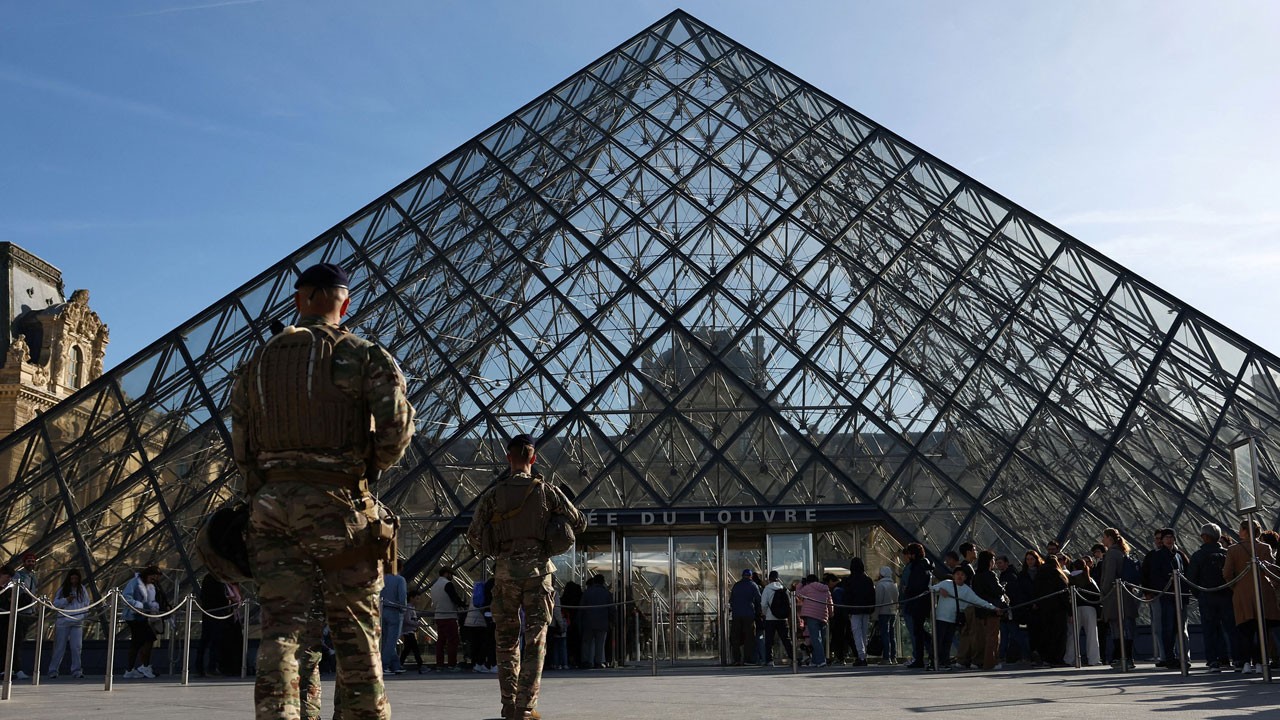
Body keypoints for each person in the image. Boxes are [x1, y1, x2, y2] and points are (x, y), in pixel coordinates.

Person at [230, 262, 416, 720]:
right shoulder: (363, 354)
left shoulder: (255, 364)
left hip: (270, 510)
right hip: (338, 508)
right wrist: (364, 467)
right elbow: (395, 430)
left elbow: (241, 444)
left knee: (281, 633)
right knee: (356, 634)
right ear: (345, 302)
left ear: (299, 299)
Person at [465, 433, 587, 720]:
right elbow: (579, 523)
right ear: (533, 458)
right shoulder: (548, 491)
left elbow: (473, 535)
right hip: (539, 574)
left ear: (508, 458)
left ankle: (508, 703)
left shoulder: (493, 496)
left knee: (505, 641)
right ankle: (526, 706)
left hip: (506, 574)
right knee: (536, 641)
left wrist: (498, 548)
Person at [1223, 519, 1280, 673]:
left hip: (1243, 594)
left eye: (1240, 529)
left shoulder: (1233, 550)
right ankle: (1262, 662)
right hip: (1264, 592)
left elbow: (1227, 573)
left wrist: (1236, 587)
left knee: (1245, 630)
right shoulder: (1265, 547)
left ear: (1245, 530)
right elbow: (1272, 571)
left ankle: (1246, 663)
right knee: (1263, 630)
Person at [1187, 522, 1235, 671]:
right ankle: (1237, 659)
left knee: (1210, 630)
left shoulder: (1198, 555)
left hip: (1207, 597)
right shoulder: (1228, 554)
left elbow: (1191, 579)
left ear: (1205, 537)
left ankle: (1213, 661)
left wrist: (1200, 593)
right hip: (1227, 596)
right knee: (1231, 629)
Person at [931, 565, 998, 670]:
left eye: (962, 575)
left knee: (947, 642)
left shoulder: (967, 590)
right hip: (942, 618)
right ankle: (933, 662)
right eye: (957, 574)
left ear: (965, 578)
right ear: (953, 576)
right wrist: (939, 590)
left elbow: (979, 601)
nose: (959, 576)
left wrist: (993, 608)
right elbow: (931, 589)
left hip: (953, 620)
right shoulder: (945, 584)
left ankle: (944, 662)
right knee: (938, 641)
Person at [1147, 528, 1191, 669]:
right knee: (1169, 628)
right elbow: (1154, 575)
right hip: (1168, 596)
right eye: (1166, 537)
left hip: (1177, 596)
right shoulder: (1158, 555)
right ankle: (1170, 657)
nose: (1168, 539)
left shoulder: (1178, 555)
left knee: (1176, 627)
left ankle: (1179, 657)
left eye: (1171, 537)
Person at [1099, 528, 1138, 669]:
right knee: (1127, 627)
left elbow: (1109, 576)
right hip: (1127, 594)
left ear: (1109, 538)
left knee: (1117, 628)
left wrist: (1103, 592)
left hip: (1115, 596)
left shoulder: (1111, 554)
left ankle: (1121, 657)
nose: (1102, 540)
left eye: (1103, 537)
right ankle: (1128, 658)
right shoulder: (1123, 552)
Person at [47, 569, 91, 678]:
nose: (74, 581)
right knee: (59, 647)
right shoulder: (62, 590)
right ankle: (53, 670)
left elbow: (86, 605)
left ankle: (77, 670)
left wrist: (81, 616)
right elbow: (56, 603)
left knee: (76, 647)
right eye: (72, 578)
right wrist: (67, 600)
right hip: (63, 622)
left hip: (77, 622)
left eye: (76, 578)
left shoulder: (83, 590)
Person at [122, 565, 161, 679]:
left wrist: (151, 606)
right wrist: (138, 605)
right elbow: (126, 597)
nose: (154, 581)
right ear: (147, 575)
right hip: (134, 616)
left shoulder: (148, 585)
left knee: (137, 643)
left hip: (141, 616)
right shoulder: (134, 582)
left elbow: (149, 600)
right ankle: (144, 666)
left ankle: (130, 670)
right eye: (153, 578)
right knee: (149, 638)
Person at [970, 551, 1006, 670]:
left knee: (980, 637)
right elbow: (998, 591)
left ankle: (977, 661)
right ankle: (990, 662)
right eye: (993, 560)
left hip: (980, 610)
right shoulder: (990, 575)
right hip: (992, 609)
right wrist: (1003, 587)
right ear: (990, 561)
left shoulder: (976, 576)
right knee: (993, 637)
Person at [902, 543, 933, 669]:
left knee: (918, 632)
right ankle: (930, 653)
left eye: (909, 554)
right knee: (920, 631)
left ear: (913, 554)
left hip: (916, 603)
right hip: (923, 603)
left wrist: (907, 589)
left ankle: (920, 658)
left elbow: (915, 586)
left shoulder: (916, 567)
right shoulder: (926, 565)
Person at [1065, 558, 1101, 666]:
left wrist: (1070, 613)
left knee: (1072, 636)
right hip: (1089, 608)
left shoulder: (1069, 579)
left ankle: (1069, 658)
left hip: (1075, 608)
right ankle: (1093, 659)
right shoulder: (1089, 578)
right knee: (1092, 635)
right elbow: (1097, 594)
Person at [430, 565, 465, 672]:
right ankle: (451, 664)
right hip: (449, 616)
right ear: (446, 573)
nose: (452, 577)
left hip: (438, 616)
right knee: (452, 641)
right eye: (451, 575)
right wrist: (463, 604)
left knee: (440, 641)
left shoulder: (434, 585)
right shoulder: (447, 584)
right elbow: (454, 598)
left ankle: (439, 665)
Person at [10, 552, 38, 680]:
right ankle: (16, 668)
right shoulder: (18, 575)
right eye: (29, 561)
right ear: (24, 562)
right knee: (15, 642)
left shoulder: (33, 577)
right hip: (19, 611)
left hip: (28, 612)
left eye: (33, 561)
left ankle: (15, 668)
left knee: (18, 642)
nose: (31, 563)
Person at [843, 558, 875, 666]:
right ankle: (863, 655)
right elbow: (872, 595)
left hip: (854, 609)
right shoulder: (868, 580)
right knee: (864, 632)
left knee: (857, 633)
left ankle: (861, 656)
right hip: (866, 609)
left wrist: (847, 609)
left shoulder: (849, 580)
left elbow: (847, 596)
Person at [795, 573, 831, 668]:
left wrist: (800, 585)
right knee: (821, 639)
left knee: (815, 639)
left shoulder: (808, 587)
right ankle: (815, 660)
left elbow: (798, 594)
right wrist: (831, 614)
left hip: (811, 615)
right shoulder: (825, 589)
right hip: (823, 615)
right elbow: (830, 602)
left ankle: (821, 660)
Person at [760, 570, 793, 667]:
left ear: (769, 579)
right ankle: (792, 657)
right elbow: (789, 603)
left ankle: (769, 660)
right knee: (786, 639)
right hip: (783, 619)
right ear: (778, 578)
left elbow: (763, 604)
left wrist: (765, 614)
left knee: (769, 640)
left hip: (770, 618)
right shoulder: (784, 589)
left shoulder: (767, 589)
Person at [729, 568, 761, 665]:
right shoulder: (753, 585)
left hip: (736, 615)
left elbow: (731, 600)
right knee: (749, 638)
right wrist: (759, 612)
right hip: (749, 615)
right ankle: (748, 659)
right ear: (751, 576)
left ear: (742, 576)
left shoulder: (736, 585)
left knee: (736, 638)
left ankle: (736, 659)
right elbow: (759, 599)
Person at [579, 574, 613, 669]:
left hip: (588, 622)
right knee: (600, 643)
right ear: (603, 582)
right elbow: (611, 608)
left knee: (587, 643)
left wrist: (580, 621)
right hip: (602, 622)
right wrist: (612, 620)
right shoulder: (606, 593)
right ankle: (598, 661)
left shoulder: (587, 592)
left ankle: (586, 661)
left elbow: (581, 608)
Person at [380, 569, 408, 674]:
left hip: (382, 610)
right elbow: (402, 597)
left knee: (386, 640)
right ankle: (384, 665)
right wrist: (403, 609)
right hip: (394, 611)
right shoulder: (400, 579)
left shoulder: (381, 578)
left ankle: (395, 665)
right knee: (391, 642)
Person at [873, 566, 898, 664]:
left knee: (885, 634)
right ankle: (893, 657)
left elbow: (878, 601)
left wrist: (875, 615)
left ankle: (886, 657)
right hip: (893, 612)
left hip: (883, 612)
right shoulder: (893, 585)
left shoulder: (880, 585)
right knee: (892, 635)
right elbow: (896, 600)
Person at [400, 590, 425, 673]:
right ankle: (420, 664)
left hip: (409, 631)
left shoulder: (411, 608)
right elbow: (407, 620)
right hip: (408, 632)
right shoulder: (408, 608)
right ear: (411, 598)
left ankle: (400, 663)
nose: (419, 601)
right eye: (417, 599)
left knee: (407, 649)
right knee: (415, 648)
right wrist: (416, 624)